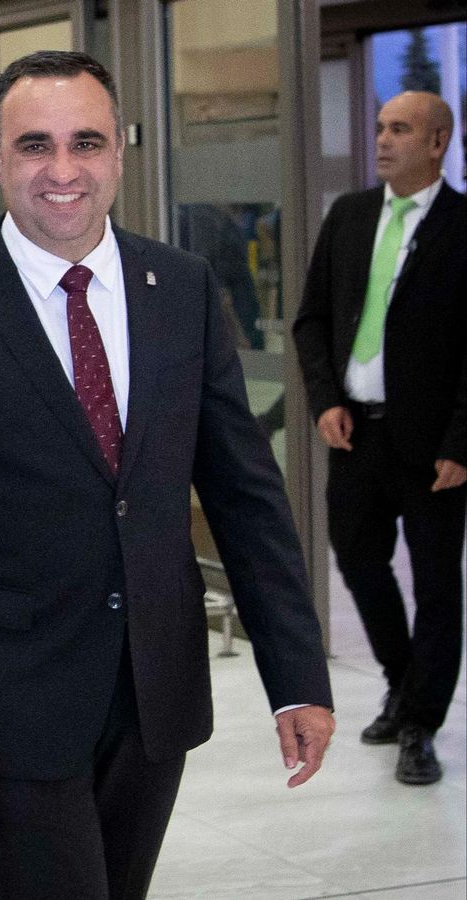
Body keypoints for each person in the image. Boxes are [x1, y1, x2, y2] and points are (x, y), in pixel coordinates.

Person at [0, 51, 336, 900]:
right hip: (14, 710)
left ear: (119, 153)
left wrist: (296, 676)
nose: (62, 170)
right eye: (36, 145)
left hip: (155, 697)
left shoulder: (182, 289)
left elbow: (246, 497)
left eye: (85, 142)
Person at [292, 90, 465, 787]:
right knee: (359, 561)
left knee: (435, 585)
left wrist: (462, 440)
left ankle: (422, 723)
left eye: (401, 129)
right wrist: (326, 399)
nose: (384, 140)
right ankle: (402, 683)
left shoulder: (462, 225)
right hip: (356, 434)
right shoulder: (351, 216)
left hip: (435, 449)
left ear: (438, 142)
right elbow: (311, 322)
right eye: (379, 128)